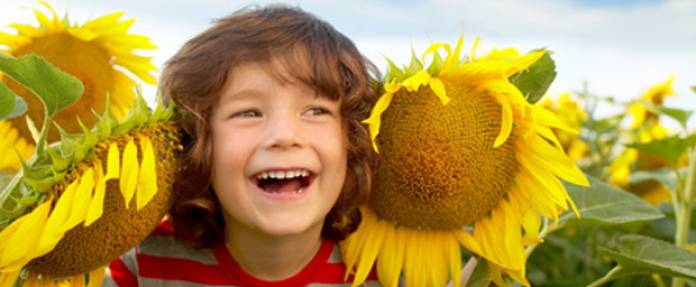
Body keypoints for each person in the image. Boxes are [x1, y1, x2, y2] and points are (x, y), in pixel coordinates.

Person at [103, 4, 379, 286]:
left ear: (352, 140)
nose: (284, 135)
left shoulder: (386, 270)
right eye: (248, 113)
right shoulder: (144, 261)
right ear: (196, 142)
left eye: (315, 111)